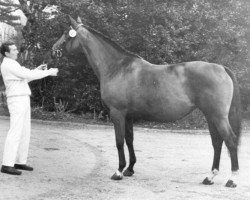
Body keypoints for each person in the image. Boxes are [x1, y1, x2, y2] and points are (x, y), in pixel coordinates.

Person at [0, 42, 58, 175]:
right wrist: (49, 72)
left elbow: (24, 78)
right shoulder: (9, 64)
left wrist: (37, 70)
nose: (17, 51)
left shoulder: (12, 63)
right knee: (15, 131)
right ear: (7, 53)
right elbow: (27, 75)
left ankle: (20, 161)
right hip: (16, 100)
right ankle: (7, 164)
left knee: (25, 131)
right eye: (13, 50)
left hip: (23, 98)